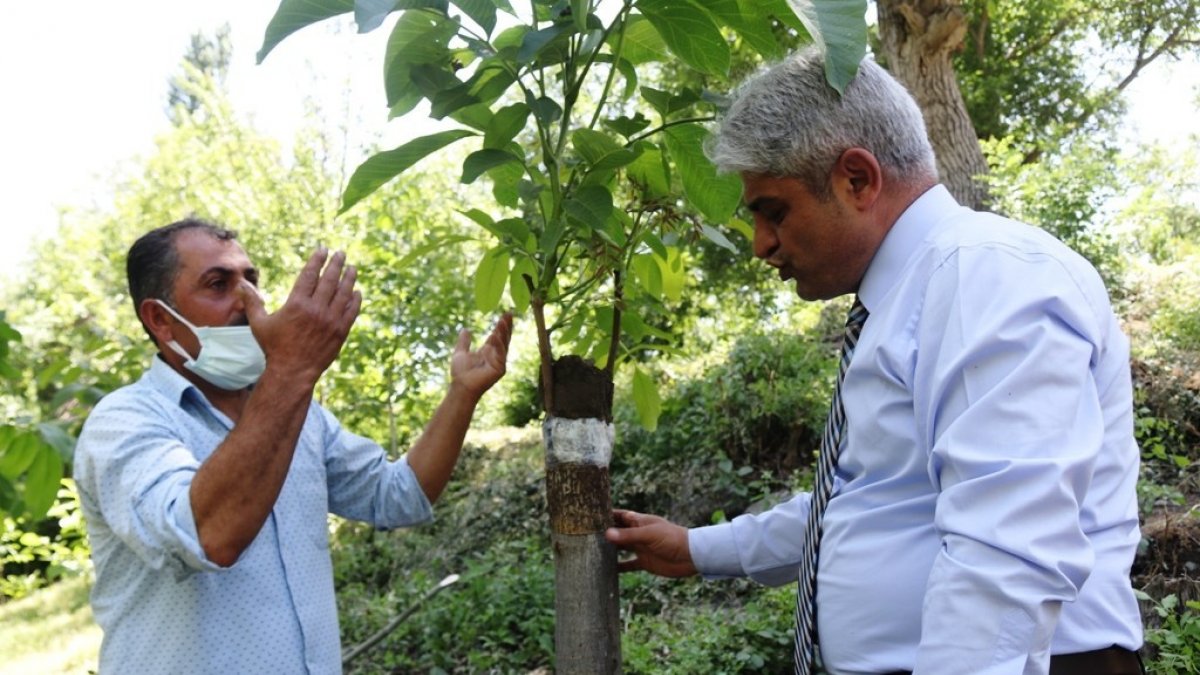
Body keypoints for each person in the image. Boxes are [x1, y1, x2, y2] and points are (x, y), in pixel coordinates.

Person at [605, 48, 1144, 675]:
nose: (761, 245)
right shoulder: (908, 299)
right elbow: (872, 502)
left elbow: (1005, 554)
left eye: (772, 211)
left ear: (856, 179)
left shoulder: (985, 275)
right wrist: (698, 548)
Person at [74, 218, 513, 673]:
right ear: (160, 320)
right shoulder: (125, 421)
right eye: (218, 284)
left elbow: (398, 495)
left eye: (252, 280)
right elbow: (205, 537)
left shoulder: (299, 413)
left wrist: (463, 395)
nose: (249, 300)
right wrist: (291, 368)